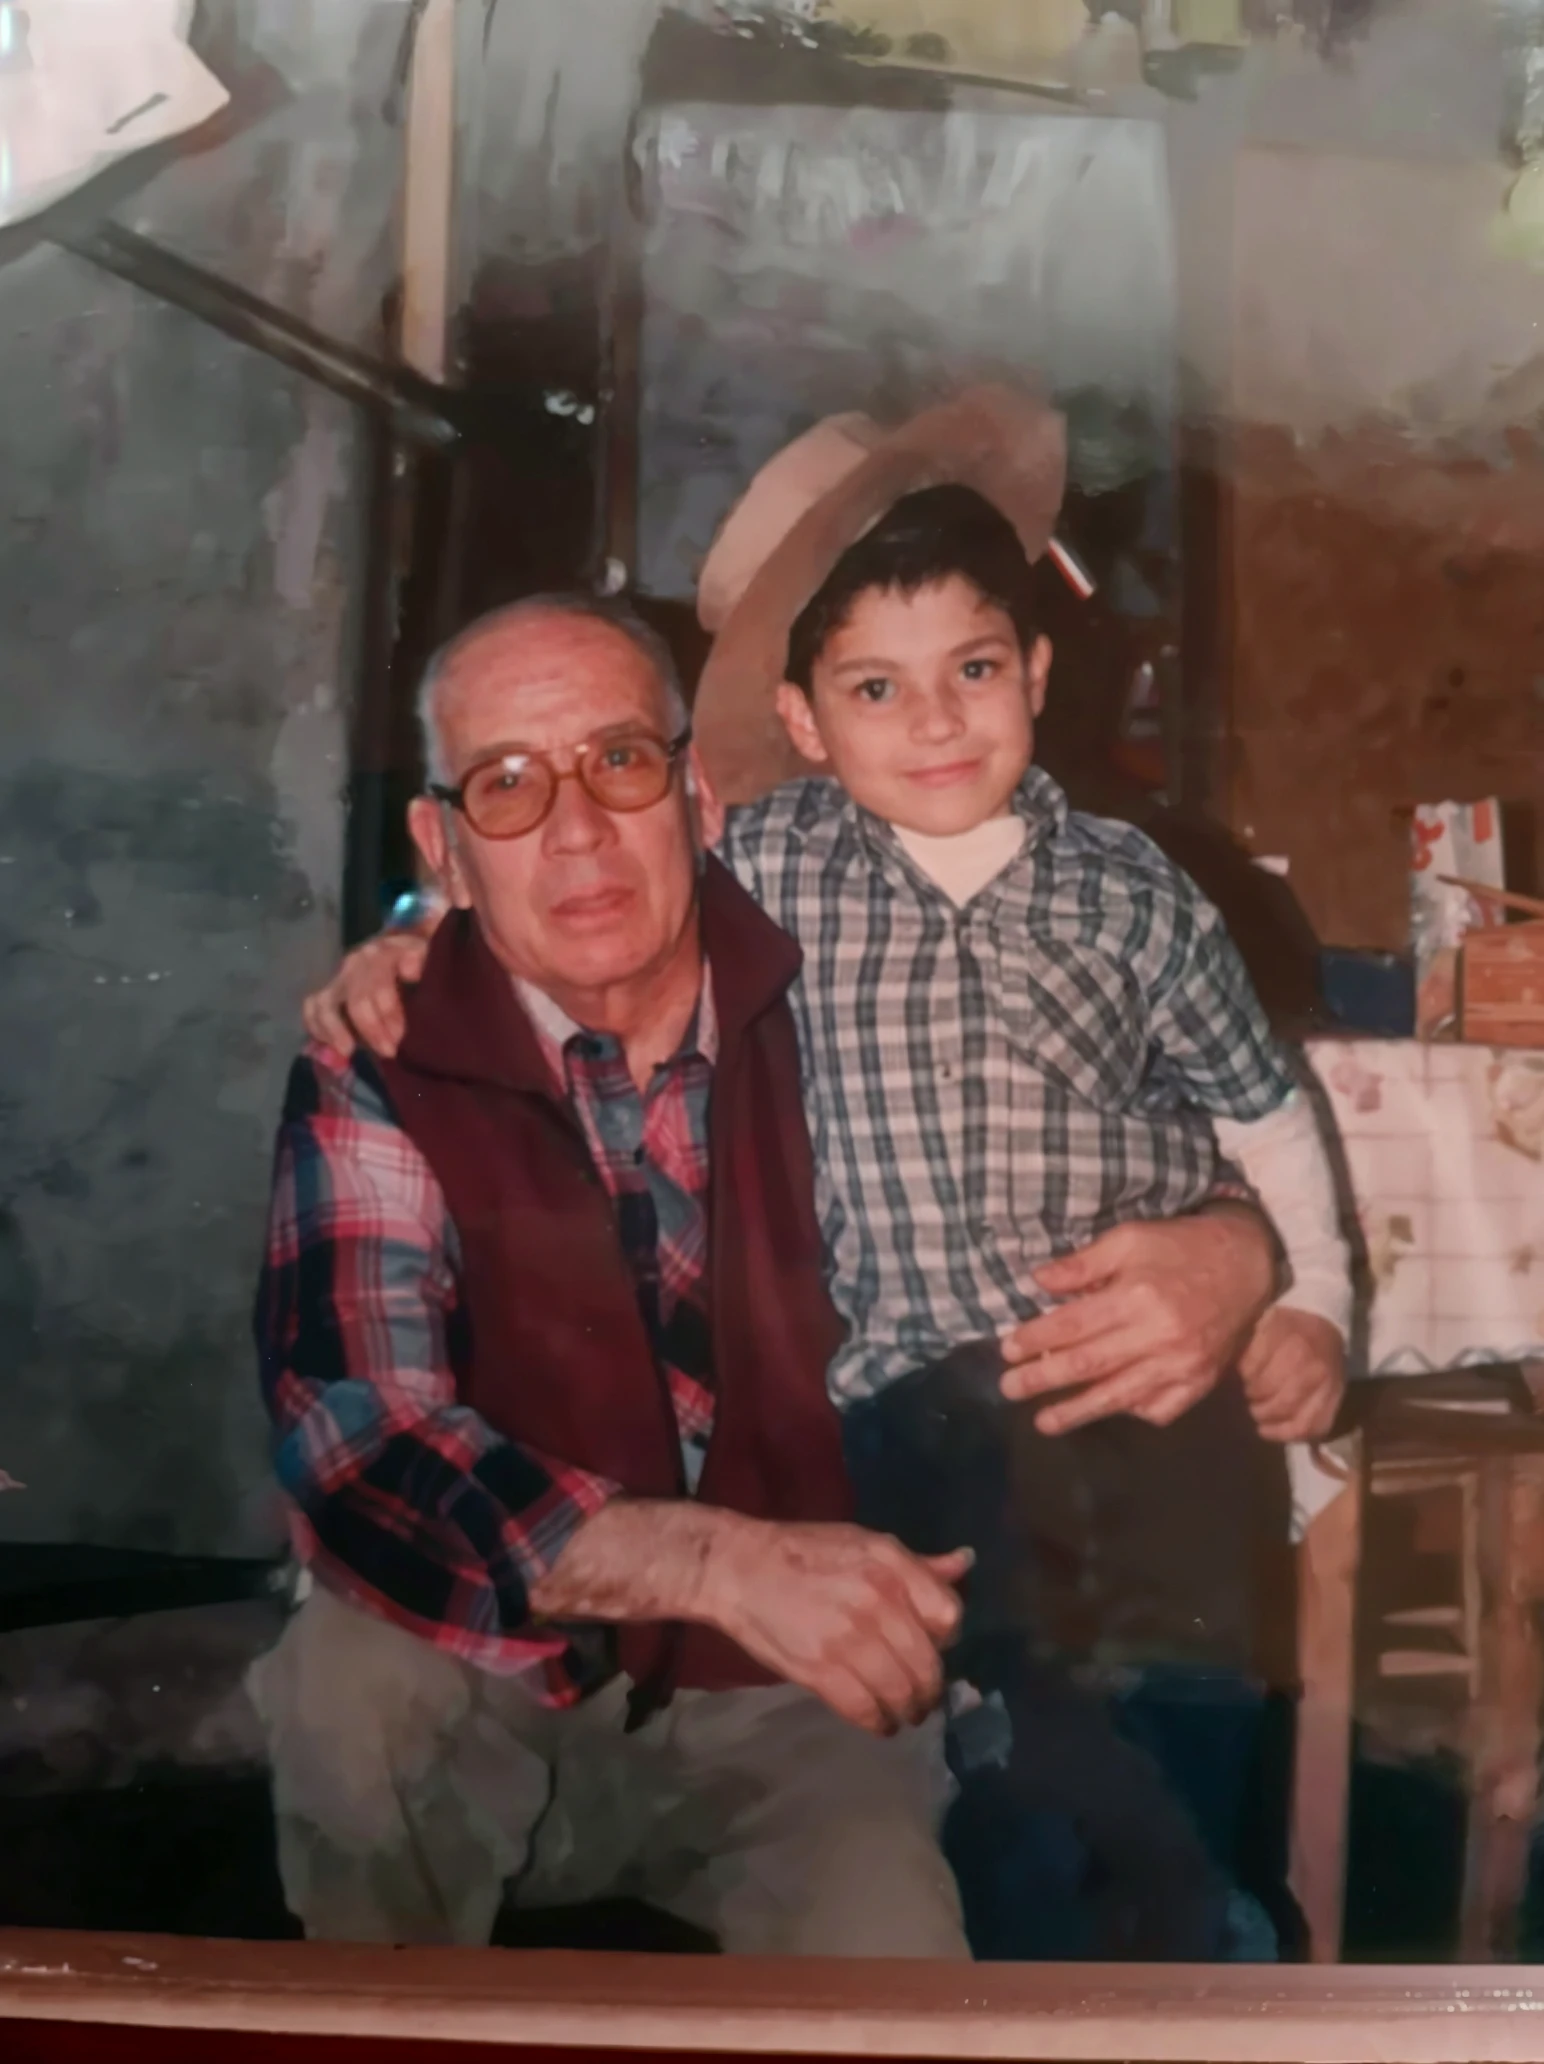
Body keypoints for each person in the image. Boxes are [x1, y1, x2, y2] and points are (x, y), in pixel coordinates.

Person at [305, 391, 1347, 1960]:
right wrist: (399, 942)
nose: (580, 830)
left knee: (1098, 1820)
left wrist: (1267, 1263)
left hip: (994, 1519)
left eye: (619, 765)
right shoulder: (699, 905)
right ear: (803, 723)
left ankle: (1180, 1966)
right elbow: (366, 1443)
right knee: (370, 1698)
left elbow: (1227, 1106)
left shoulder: (1020, 912)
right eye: (511, 788)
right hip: (709, 1542)